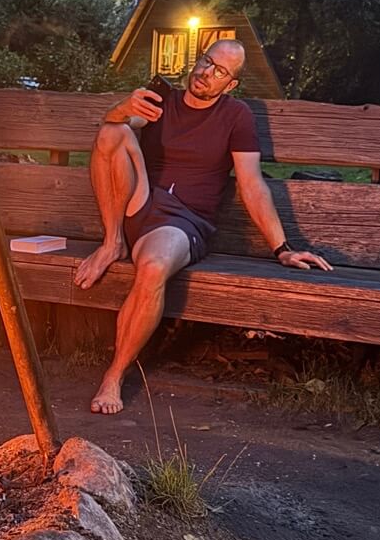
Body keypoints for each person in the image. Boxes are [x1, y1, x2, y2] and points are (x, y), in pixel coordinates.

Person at [73, 39, 332, 414]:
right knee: (112, 131)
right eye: (206, 62)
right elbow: (110, 135)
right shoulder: (162, 99)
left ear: (230, 85)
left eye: (220, 71)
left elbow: (251, 184)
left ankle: (113, 376)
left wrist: (282, 247)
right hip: (139, 201)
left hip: (183, 221)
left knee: (154, 266)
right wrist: (121, 109)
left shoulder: (236, 116)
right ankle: (112, 243)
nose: (206, 73)